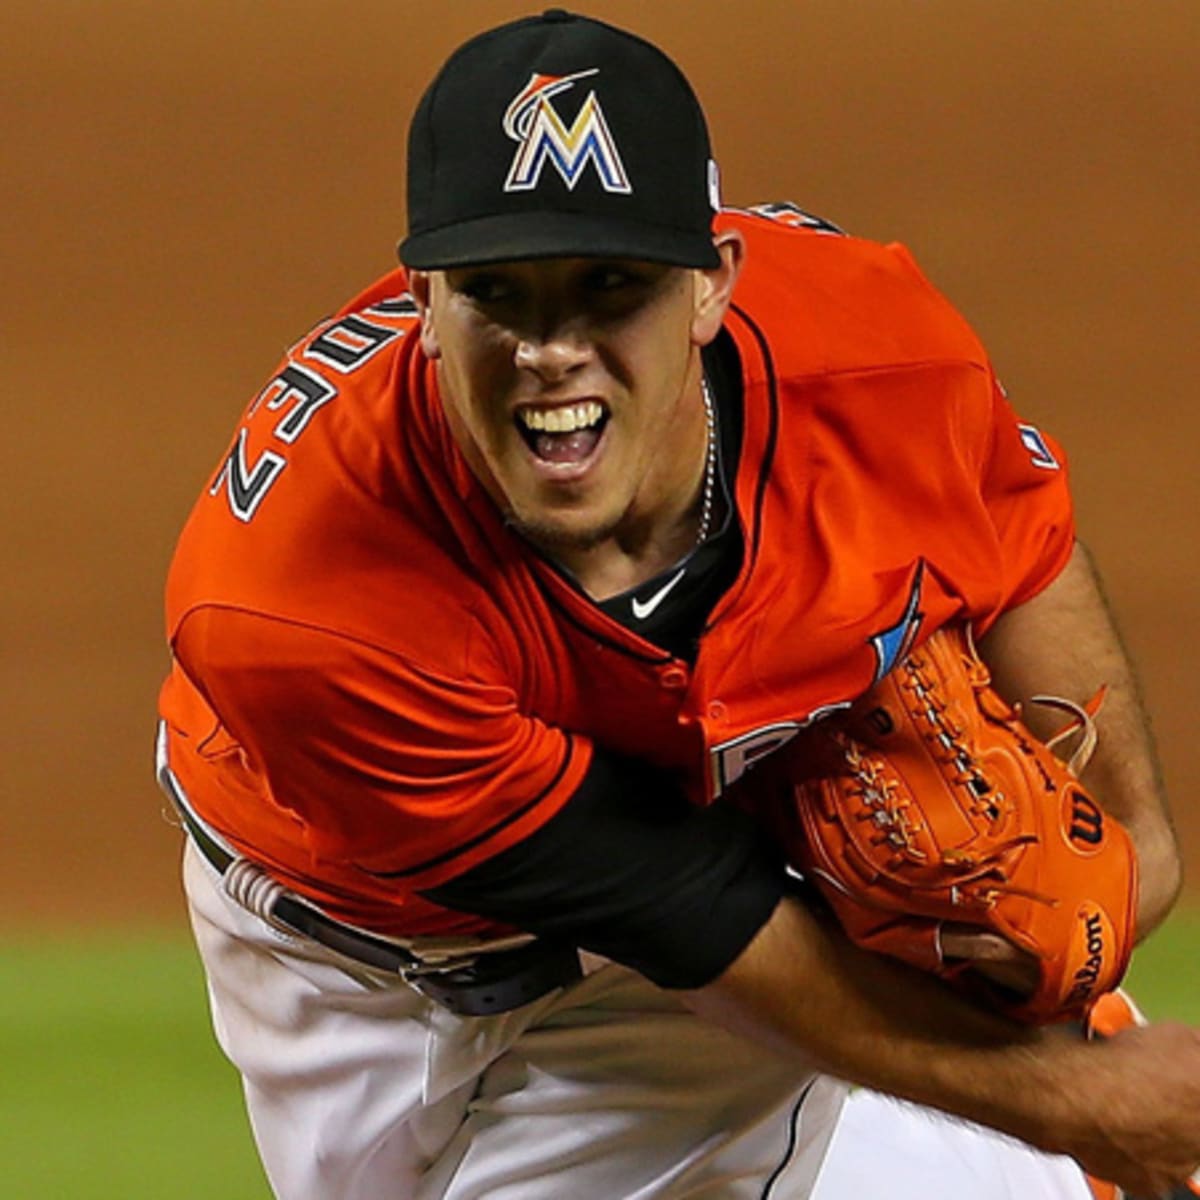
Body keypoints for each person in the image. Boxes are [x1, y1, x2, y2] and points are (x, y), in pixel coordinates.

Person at [156, 10, 1200, 1199]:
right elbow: (691, 914)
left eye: (612, 286)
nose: (553, 348)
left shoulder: (874, 359)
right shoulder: (302, 603)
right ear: (426, 306)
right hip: (324, 966)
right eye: (498, 292)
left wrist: (1128, 878)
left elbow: (1020, 545)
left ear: (711, 287)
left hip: (663, 1000)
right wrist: (1080, 1104)